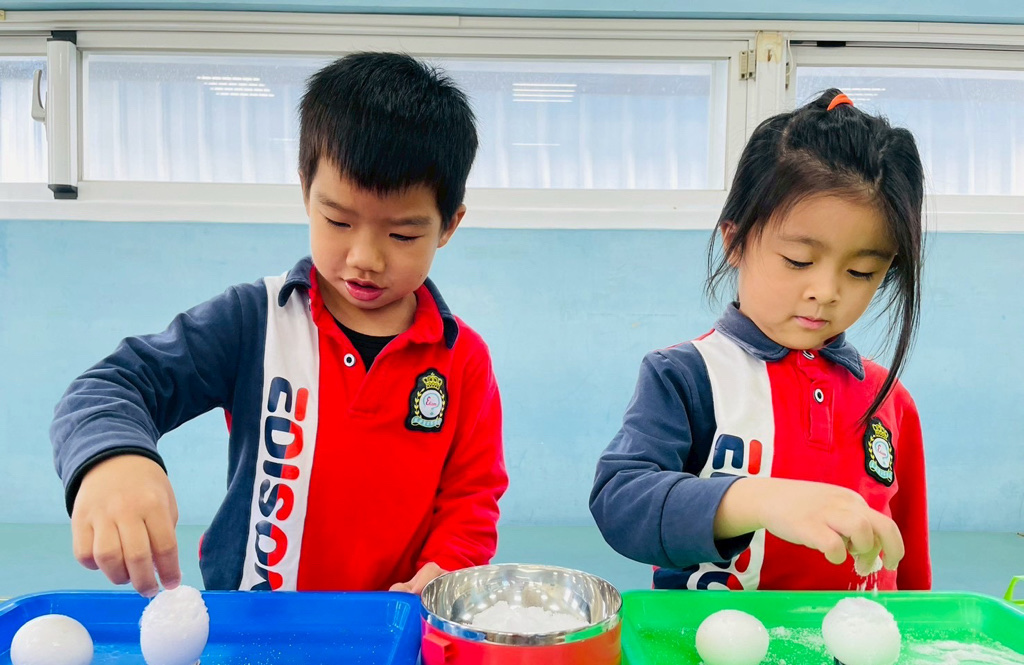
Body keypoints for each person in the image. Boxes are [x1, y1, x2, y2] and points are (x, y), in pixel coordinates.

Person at [50, 52, 507, 597]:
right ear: (305, 191)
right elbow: (113, 385)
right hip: (251, 616)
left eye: (403, 235)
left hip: (392, 623)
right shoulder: (253, 321)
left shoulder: (462, 360)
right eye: (338, 221)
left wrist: (444, 571)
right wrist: (112, 458)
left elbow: (471, 498)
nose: (365, 258)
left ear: (449, 225)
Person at [590, 90, 931, 591]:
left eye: (861, 271)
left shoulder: (890, 400)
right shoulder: (687, 375)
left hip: (854, 642)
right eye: (798, 260)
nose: (826, 292)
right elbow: (620, 501)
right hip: (706, 639)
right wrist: (757, 499)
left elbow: (910, 568)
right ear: (735, 241)